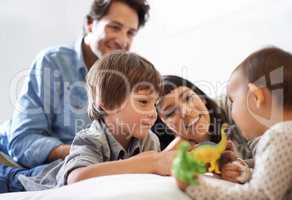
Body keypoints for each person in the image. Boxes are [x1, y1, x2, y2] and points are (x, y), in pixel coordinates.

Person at [0, 0, 150, 167]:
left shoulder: (128, 75)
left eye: (130, 33)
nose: (122, 40)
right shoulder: (53, 63)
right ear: (90, 24)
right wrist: (86, 153)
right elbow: (23, 141)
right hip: (12, 162)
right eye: (114, 27)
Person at [1, 51, 176, 192]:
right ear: (108, 104)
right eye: (143, 102)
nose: (154, 113)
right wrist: (149, 163)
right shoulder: (92, 138)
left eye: (155, 104)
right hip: (35, 179)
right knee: (8, 177)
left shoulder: (149, 139)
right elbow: (76, 178)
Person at [176, 47, 292, 200]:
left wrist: (195, 186)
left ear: (256, 97)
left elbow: (260, 196)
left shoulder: (279, 135)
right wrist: (246, 174)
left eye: (233, 101)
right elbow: (278, 182)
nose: (230, 110)